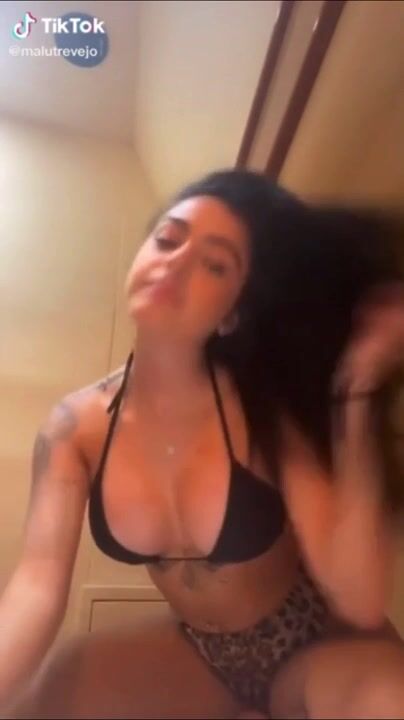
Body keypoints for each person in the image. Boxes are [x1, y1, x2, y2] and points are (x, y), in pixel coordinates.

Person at [2, 169, 404, 720]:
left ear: (233, 310)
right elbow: (36, 591)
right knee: (54, 691)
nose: (175, 263)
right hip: (203, 655)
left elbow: (358, 599)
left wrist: (357, 392)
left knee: (390, 701)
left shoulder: (264, 412)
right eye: (168, 240)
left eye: (214, 264)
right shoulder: (73, 428)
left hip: (318, 646)